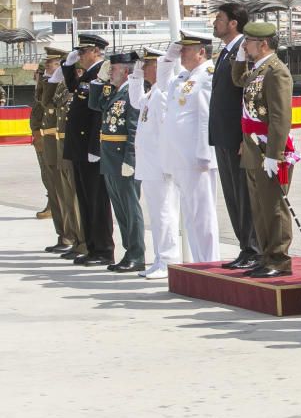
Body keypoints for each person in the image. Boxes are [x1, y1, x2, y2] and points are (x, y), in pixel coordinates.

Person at [232, 22, 296, 278]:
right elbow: (238, 79)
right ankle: (266, 255)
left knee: (274, 208)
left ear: (264, 44)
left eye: (248, 42)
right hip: (252, 149)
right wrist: (239, 58)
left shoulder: (276, 72)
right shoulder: (258, 70)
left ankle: (279, 258)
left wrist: (274, 155)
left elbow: (280, 118)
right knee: (259, 208)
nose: (245, 45)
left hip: (268, 150)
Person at [210, 3, 260, 270]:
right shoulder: (226, 52)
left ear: (233, 23)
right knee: (232, 195)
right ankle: (245, 247)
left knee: (244, 195)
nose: (214, 23)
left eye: (219, 18)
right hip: (223, 135)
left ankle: (253, 249)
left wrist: (246, 136)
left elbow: (248, 96)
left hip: (238, 138)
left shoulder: (244, 51)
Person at [163, 31, 221, 264]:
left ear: (201, 52)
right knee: (190, 214)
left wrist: (204, 153)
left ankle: (209, 261)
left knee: (202, 214)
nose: (181, 53)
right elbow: (162, 86)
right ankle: (199, 261)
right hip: (181, 156)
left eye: (186, 49)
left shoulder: (207, 76)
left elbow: (206, 117)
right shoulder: (185, 77)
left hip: (197, 158)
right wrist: (167, 59)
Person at [88, 51, 145, 273]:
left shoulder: (132, 93)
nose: (110, 72)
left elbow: (134, 129)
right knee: (120, 209)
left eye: (113, 69)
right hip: (111, 158)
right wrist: (99, 81)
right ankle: (128, 251)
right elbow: (95, 104)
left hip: (123, 158)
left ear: (126, 71)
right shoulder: (116, 92)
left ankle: (137, 254)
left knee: (130, 208)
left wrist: (130, 159)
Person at [62, 34, 115, 267]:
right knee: (84, 199)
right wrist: (67, 66)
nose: (80, 56)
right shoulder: (89, 75)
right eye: (79, 53)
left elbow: (98, 115)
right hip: (79, 147)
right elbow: (73, 87)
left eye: (83, 52)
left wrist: (96, 146)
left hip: (90, 148)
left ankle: (104, 249)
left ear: (95, 51)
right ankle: (93, 247)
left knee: (96, 200)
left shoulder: (102, 74)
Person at [127, 47, 180, 279]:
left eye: (147, 65)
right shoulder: (152, 93)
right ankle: (160, 258)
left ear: (158, 66)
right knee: (157, 214)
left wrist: (168, 161)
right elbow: (135, 102)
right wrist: (135, 78)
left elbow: (168, 128)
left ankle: (168, 259)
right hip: (149, 163)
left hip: (160, 163)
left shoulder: (164, 92)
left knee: (165, 213)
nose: (144, 68)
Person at [38, 47, 83, 256]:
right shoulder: (59, 88)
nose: (48, 67)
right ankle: (66, 235)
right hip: (53, 143)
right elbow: (44, 102)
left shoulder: (73, 88)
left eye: (54, 65)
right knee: (59, 194)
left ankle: (75, 238)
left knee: (70, 196)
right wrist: (47, 79)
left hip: (67, 145)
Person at [30, 65, 53, 221]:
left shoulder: (46, 89)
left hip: (46, 136)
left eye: (38, 73)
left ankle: (53, 205)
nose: (36, 76)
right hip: (39, 136)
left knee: (49, 173)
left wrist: (42, 82)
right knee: (45, 174)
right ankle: (52, 202)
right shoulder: (40, 89)